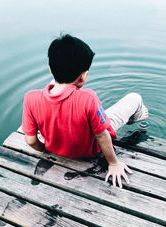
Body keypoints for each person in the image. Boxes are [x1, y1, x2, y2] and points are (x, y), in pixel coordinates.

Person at [22, 34, 148, 188]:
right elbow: (102, 135)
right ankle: (137, 116)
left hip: (56, 148)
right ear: (82, 78)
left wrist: (45, 150)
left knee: (53, 86)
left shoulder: (30, 98)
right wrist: (113, 163)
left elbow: (31, 141)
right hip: (90, 150)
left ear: (50, 69)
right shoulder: (88, 98)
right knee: (134, 98)